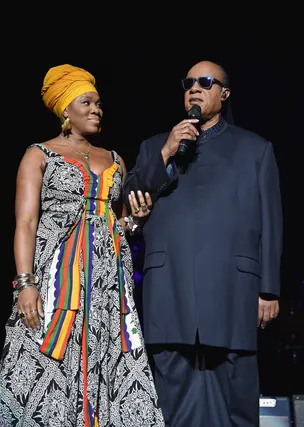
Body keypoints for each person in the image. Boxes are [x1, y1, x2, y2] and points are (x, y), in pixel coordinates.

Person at [0, 64, 165, 427]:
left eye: (99, 103)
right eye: (87, 102)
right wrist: (26, 284)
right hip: (56, 282)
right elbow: (26, 223)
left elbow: (120, 224)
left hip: (107, 285)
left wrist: (137, 220)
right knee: (47, 360)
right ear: (66, 109)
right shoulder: (38, 154)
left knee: (112, 358)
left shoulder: (114, 159)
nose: (97, 109)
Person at [123, 60, 283, 427]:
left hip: (233, 291)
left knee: (235, 402)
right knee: (171, 400)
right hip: (170, 290)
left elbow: (272, 223)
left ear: (224, 94)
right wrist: (166, 151)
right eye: (189, 82)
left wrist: (269, 290)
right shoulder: (154, 146)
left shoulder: (255, 149)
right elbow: (131, 202)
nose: (194, 88)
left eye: (206, 82)